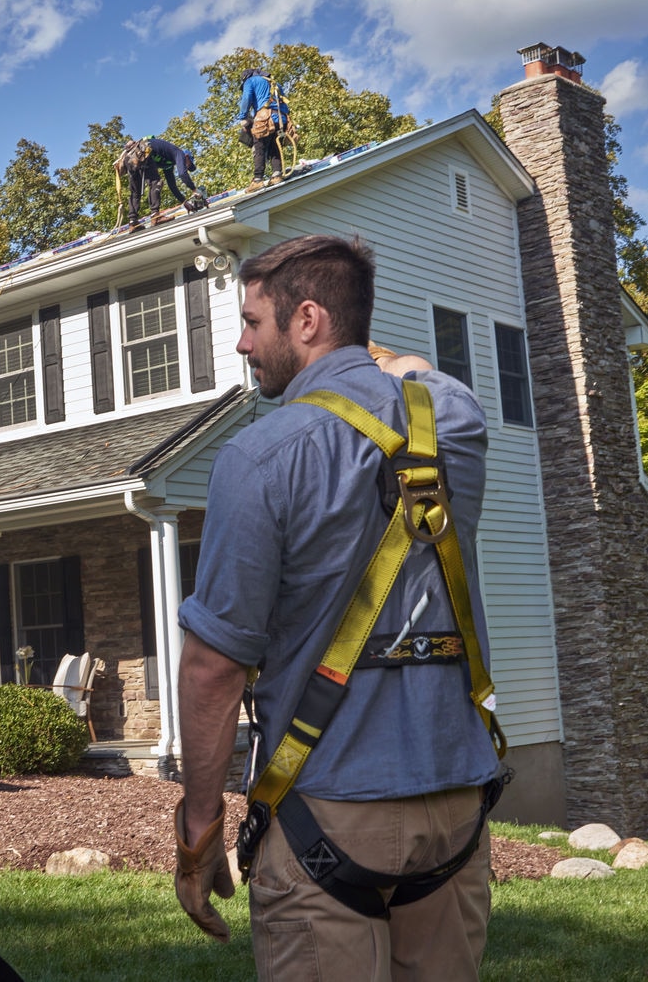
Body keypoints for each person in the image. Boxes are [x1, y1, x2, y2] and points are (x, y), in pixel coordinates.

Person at [174, 234, 503, 979]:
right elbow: (419, 369)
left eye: (254, 321)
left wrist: (198, 830)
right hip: (454, 804)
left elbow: (212, 671)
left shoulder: (257, 458)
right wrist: (364, 347)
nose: (241, 342)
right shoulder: (456, 425)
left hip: (326, 809)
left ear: (308, 319)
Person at [115, 137, 205, 230]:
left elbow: (172, 186)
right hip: (143, 152)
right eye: (188, 164)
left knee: (135, 191)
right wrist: (194, 190)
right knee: (156, 183)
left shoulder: (168, 163)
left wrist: (185, 202)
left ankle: (133, 223)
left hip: (132, 157)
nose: (186, 166)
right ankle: (155, 217)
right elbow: (182, 174)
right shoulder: (179, 153)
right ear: (186, 157)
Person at [236, 68, 290, 191]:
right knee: (274, 146)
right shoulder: (274, 82)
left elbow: (246, 98)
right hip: (282, 117)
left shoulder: (250, 81)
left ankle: (258, 180)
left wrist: (243, 117)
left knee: (259, 146)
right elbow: (285, 102)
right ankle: (277, 175)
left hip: (265, 117)